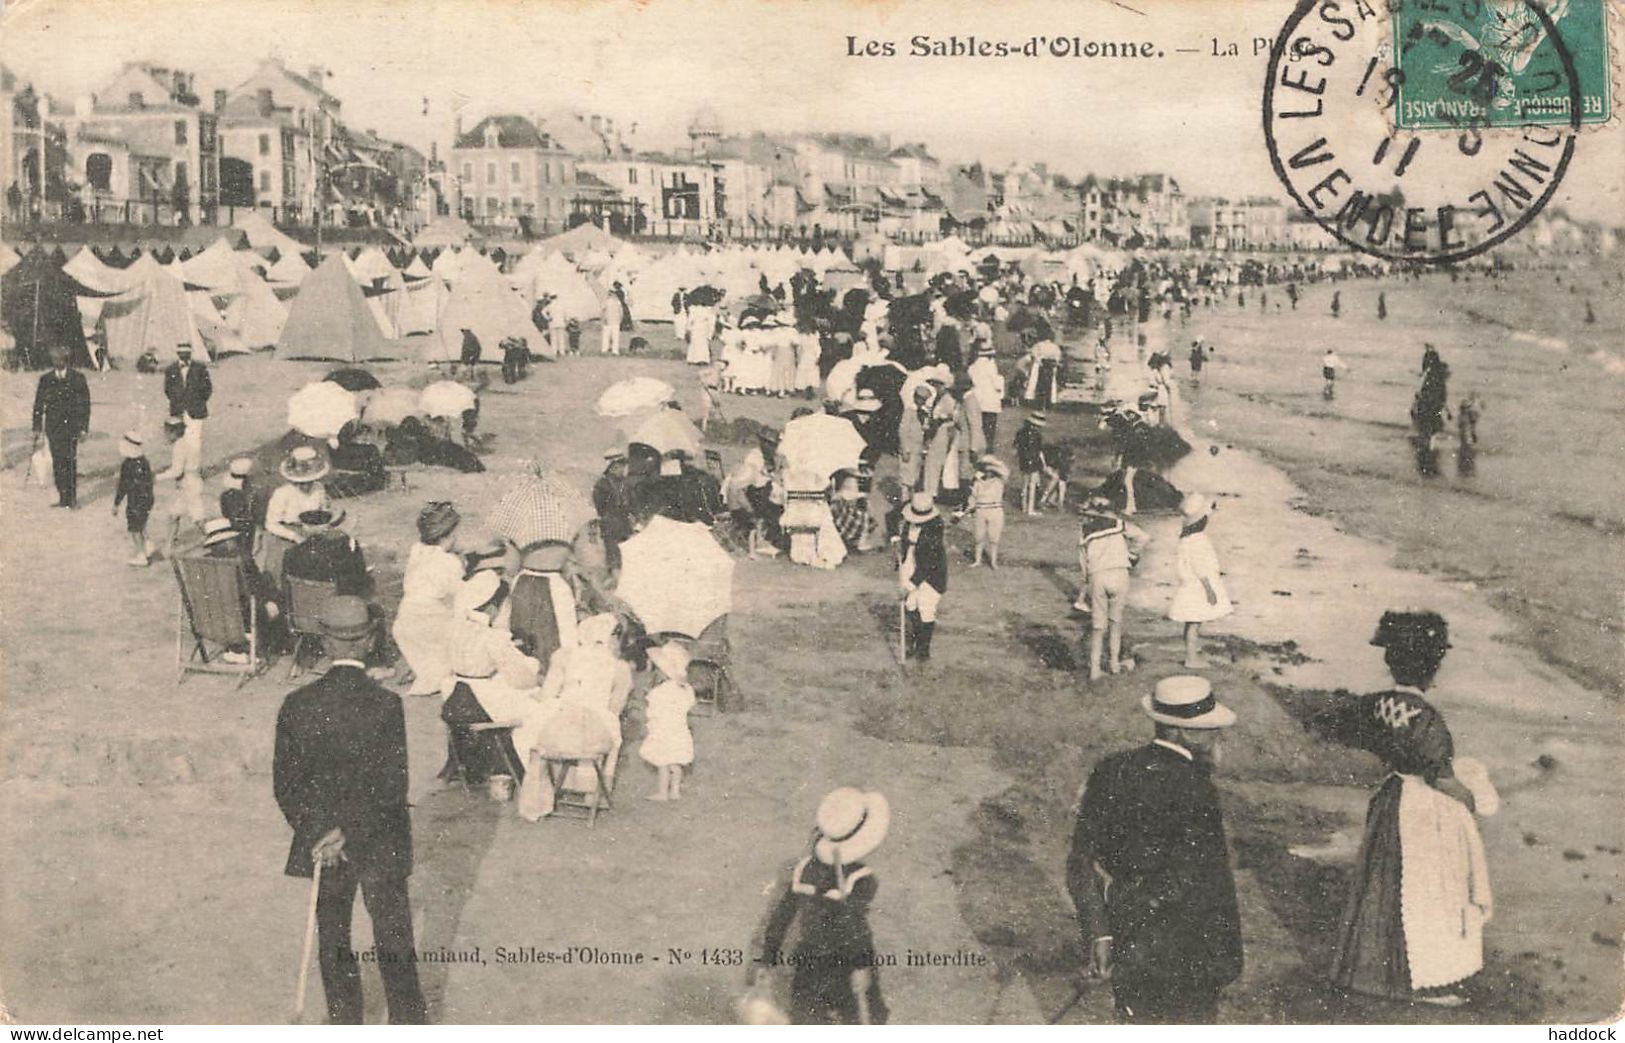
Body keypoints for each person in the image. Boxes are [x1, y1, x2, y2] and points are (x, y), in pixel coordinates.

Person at [272, 596, 427, 1024]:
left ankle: (344, 1022)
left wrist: (323, 831)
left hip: (324, 848)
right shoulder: (386, 705)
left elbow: (286, 786)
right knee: (393, 932)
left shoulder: (297, 705)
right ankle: (409, 1024)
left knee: (333, 934)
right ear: (369, 640)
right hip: (379, 839)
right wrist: (350, 831)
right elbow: (391, 788)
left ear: (324, 641)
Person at [1329, 610, 1492, 1005]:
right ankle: (1421, 979)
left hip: (1391, 798)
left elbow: (1363, 736)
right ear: (1431, 667)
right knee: (1425, 891)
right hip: (1421, 809)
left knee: (1384, 884)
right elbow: (1440, 776)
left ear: (1392, 660)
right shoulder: (1427, 718)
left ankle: (1369, 972)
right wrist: (1473, 802)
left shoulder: (1377, 703)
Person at [1066, 675, 1242, 1023]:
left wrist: (1102, 932)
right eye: (1208, 729)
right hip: (1189, 951)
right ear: (1179, 732)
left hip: (1126, 938)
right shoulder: (1197, 787)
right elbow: (1202, 877)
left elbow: (1081, 861)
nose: (1216, 737)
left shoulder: (1110, 769)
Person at [752, 788, 891, 1024]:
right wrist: (862, 965)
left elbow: (782, 916)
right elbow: (854, 927)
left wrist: (768, 958)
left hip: (809, 961)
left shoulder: (805, 869)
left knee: (807, 1017)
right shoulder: (861, 878)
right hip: (845, 963)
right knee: (862, 1018)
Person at [524, 613, 633, 819]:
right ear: (611, 638)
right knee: (612, 731)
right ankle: (593, 791)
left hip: (557, 734)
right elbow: (615, 709)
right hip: (592, 737)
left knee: (553, 720)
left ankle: (559, 785)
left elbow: (547, 694)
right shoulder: (619, 667)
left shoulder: (564, 656)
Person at [392, 502, 465, 698]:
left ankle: (425, 671)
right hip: (429, 621)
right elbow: (457, 595)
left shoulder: (417, 550)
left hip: (405, 620)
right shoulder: (449, 562)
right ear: (447, 535)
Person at [1076, 495, 1150, 681]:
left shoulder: (1085, 531)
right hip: (1119, 573)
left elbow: (1083, 563)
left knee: (1097, 626)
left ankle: (1094, 670)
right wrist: (1132, 556)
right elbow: (1143, 537)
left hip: (1097, 576)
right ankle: (1114, 664)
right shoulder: (1119, 524)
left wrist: (1086, 584)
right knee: (1116, 622)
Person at [1168, 493, 1231, 669]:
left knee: (1192, 623)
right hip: (1198, 586)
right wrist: (1209, 590)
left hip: (1190, 584)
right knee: (1195, 623)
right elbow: (1200, 567)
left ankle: (1191, 654)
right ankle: (1191, 658)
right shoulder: (1198, 540)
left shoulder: (1186, 539)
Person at [31, 346, 91, 509]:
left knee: (70, 461)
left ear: (66, 360)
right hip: (53, 427)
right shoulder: (45, 379)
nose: (56, 362)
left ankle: (72, 499)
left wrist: (84, 428)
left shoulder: (78, 378)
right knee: (58, 462)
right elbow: (38, 405)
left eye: (59, 359)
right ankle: (63, 497)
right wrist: (36, 427)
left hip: (72, 427)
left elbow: (85, 405)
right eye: (54, 359)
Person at [262, 447, 331, 587]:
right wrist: (294, 536)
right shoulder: (282, 493)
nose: (306, 485)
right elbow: (271, 524)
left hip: (312, 531)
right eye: (302, 482)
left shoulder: (319, 488)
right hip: (285, 535)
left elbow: (323, 511)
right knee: (282, 571)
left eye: (310, 481)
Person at [639, 641, 695, 802]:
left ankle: (662, 792)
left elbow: (653, 710)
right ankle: (675, 791)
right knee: (676, 762)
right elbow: (689, 704)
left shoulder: (661, 691)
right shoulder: (685, 689)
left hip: (663, 729)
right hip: (679, 729)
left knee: (663, 761)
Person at [898, 491, 947, 662]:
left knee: (926, 608)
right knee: (910, 604)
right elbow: (893, 517)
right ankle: (916, 641)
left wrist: (909, 586)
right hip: (910, 564)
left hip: (930, 575)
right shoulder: (909, 521)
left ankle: (923, 649)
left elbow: (926, 565)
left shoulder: (935, 529)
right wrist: (895, 538)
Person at [284, 508, 370, 598]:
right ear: (326, 527)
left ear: (305, 527)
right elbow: (359, 580)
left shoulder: (291, 553)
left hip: (304, 607)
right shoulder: (343, 550)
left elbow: (287, 588)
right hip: (339, 606)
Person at [155, 417, 205, 557]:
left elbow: (177, 471)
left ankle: (216, 538)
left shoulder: (179, 446)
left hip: (189, 485)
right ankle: (168, 547)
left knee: (197, 518)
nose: (164, 435)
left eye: (166, 432)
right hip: (191, 483)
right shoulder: (189, 441)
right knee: (174, 515)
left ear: (173, 433)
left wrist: (157, 477)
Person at [113, 430, 155, 566]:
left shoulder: (127, 465)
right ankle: (148, 544)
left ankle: (140, 554)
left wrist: (116, 504)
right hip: (148, 498)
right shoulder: (145, 461)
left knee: (134, 529)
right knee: (142, 523)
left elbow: (123, 486)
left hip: (135, 500)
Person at [593, 449, 634, 572]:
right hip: (610, 527)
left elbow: (631, 502)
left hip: (625, 526)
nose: (623, 469)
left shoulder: (624, 484)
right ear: (612, 467)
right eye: (621, 466)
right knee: (614, 561)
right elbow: (600, 508)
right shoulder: (602, 485)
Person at [162, 341, 212, 444]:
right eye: (181, 353)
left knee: (195, 442)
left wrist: (198, 401)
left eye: (187, 353)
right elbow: (168, 390)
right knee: (179, 443)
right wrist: (177, 401)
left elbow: (207, 389)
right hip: (178, 411)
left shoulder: (200, 368)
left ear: (190, 353)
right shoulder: (171, 369)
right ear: (177, 353)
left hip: (196, 410)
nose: (184, 355)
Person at [969, 455, 1007, 569]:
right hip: (981, 510)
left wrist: (994, 463)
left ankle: (993, 561)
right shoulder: (977, 482)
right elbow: (973, 497)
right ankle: (977, 560)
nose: (988, 472)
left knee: (993, 537)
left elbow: (1004, 471)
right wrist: (970, 508)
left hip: (995, 510)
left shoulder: (999, 481)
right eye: (986, 469)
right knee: (978, 537)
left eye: (991, 470)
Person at [966, 342, 1005, 447]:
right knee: (990, 426)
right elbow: (997, 383)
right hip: (990, 399)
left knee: (979, 425)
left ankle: (978, 445)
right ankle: (989, 446)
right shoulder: (991, 365)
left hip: (977, 399)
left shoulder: (972, 367)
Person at [1015, 412, 1048, 515]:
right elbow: (1039, 451)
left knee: (1025, 485)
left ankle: (1024, 506)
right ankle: (1030, 509)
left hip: (1023, 459)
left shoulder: (1020, 432)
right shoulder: (1037, 435)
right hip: (1033, 460)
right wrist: (1044, 464)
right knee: (1032, 485)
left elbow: (1016, 447)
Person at [219, 458, 257, 544]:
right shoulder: (249, 495)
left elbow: (225, 513)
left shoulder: (225, 495)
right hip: (250, 528)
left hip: (236, 528)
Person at [601, 282, 629, 356]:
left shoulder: (607, 302)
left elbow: (603, 311)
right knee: (614, 337)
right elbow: (621, 312)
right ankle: (614, 350)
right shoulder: (617, 302)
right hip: (614, 321)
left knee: (607, 336)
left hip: (609, 321)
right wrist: (620, 319)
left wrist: (603, 319)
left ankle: (605, 350)